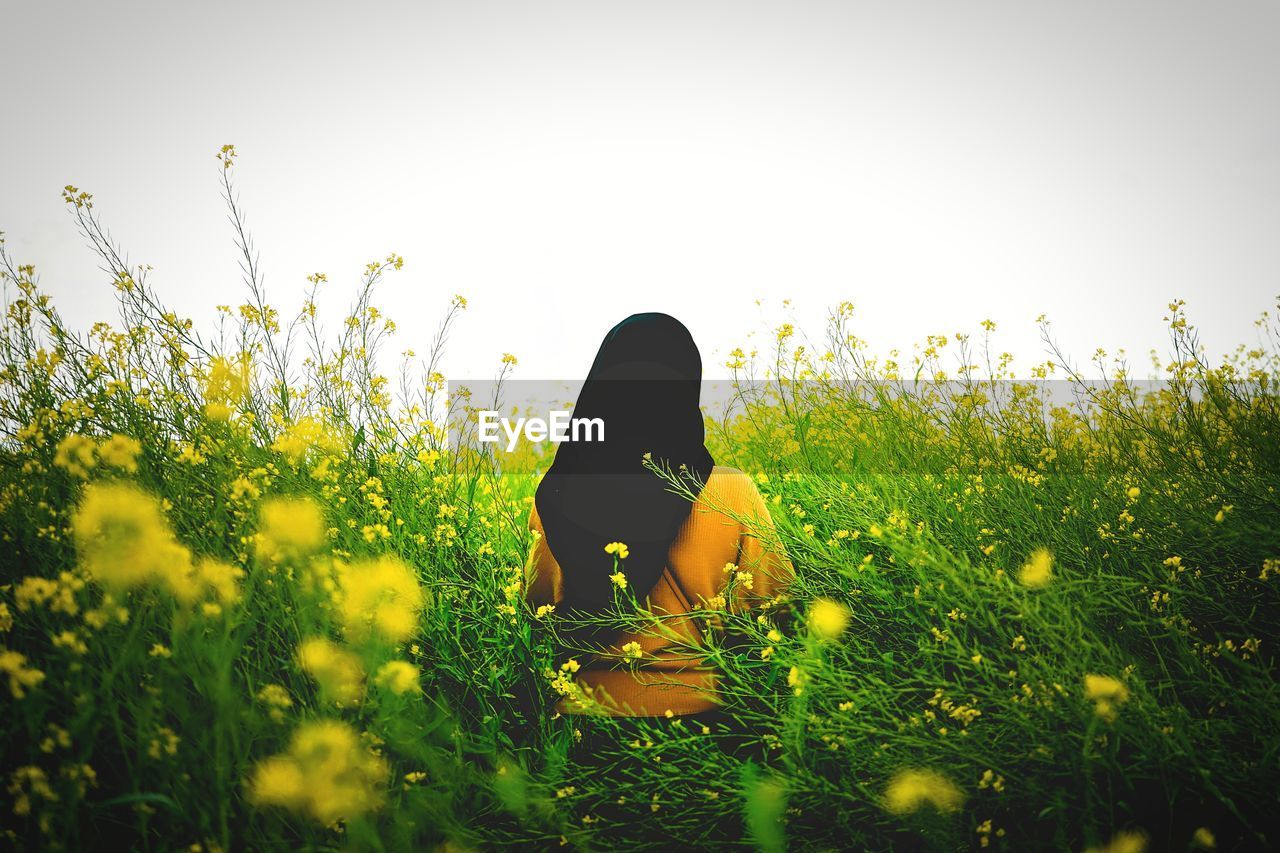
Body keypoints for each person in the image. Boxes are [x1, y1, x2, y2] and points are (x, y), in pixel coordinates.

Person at [523, 312, 795, 751]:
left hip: (580, 733)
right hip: (701, 730)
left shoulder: (555, 494)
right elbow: (774, 611)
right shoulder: (731, 491)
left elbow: (538, 611)